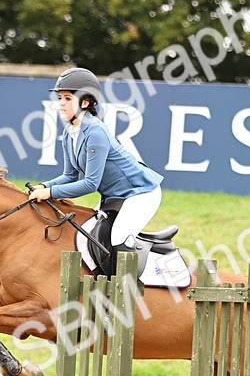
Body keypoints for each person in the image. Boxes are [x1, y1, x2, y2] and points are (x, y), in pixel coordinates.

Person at [28, 67, 164, 274]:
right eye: (60, 98)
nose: (61, 104)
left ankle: (128, 293)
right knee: (87, 236)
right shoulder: (69, 133)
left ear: (85, 102)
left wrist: (49, 193)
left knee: (118, 238)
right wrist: (44, 185)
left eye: (67, 98)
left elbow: (90, 184)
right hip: (114, 197)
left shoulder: (96, 132)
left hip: (141, 194)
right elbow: (70, 175)